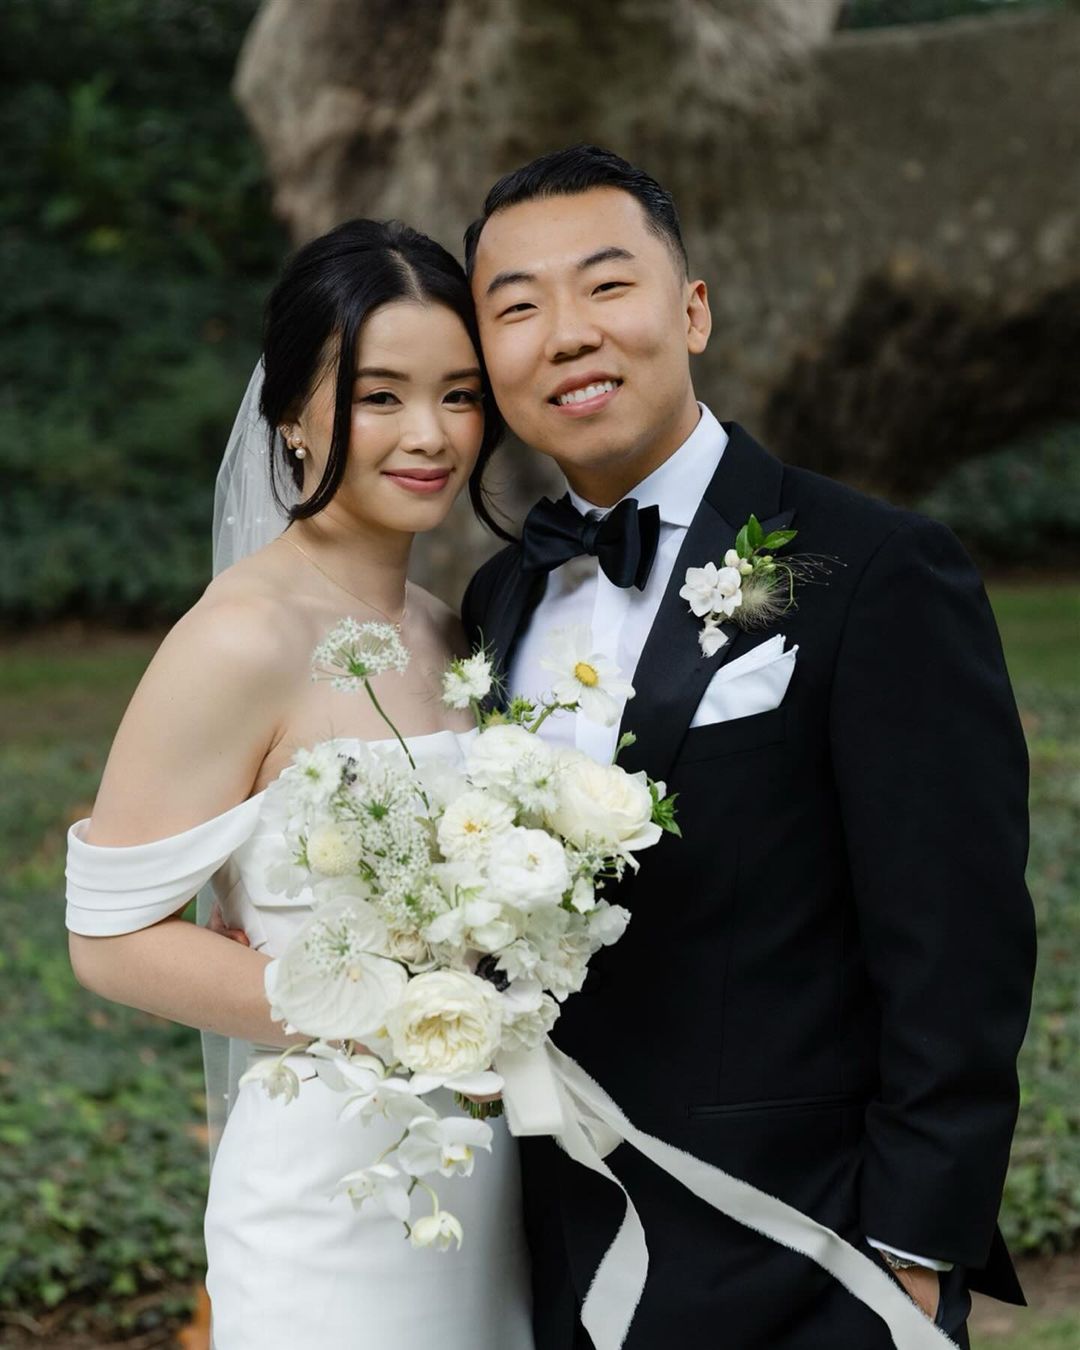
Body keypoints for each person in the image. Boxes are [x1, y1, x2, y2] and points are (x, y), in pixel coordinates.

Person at [461, 145, 1036, 1350]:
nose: (568, 333)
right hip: (556, 1240)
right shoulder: (499, 601)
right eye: (517, 307)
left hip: (807, 1250)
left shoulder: (873, 569)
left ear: (693, 312)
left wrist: (916, 1248)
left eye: (606, 285)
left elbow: (956, 936)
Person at [64, 219, 533, 1350]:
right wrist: (387, 1014)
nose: (430, 434)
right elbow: (110, 941)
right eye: (380, 397)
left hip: (490, 1179)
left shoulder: (452, 632)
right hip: (332, 1197)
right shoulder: (240, 638)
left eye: (460, 395)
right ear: (291, 414)